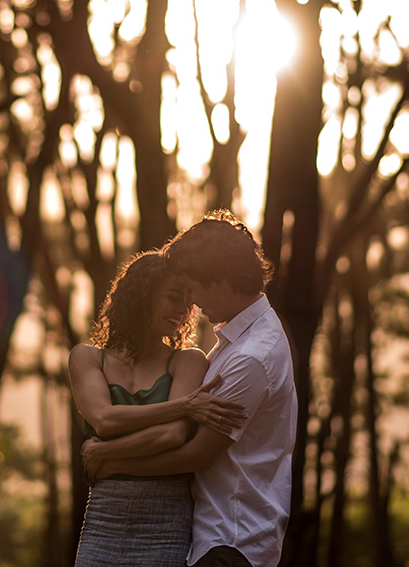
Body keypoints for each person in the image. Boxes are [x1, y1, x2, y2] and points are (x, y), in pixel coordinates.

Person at [84, 212, 297, 567]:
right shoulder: (238, 341)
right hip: (217, 537)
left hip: (230, 540)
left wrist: (111, 463)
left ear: (221, 282)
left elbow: (196, 454)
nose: (192, 303)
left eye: (193, 288)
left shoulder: (251, 357)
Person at [69, 249, 248, 567]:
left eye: (188, 303)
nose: (182, 311)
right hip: (101, 522)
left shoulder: (188, 360)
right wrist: (185, 405)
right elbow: (105, 420)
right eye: (173, 298)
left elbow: (172, 436)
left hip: (166, 527)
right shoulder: (86, 357)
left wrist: (104, 455)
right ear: (142, 296)